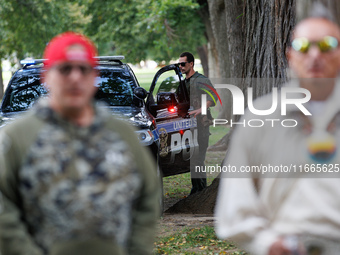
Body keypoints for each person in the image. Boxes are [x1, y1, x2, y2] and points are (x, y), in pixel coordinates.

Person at [0, 32, 160, 255]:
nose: (75, 77)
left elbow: (148, 194)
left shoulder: (122, 133)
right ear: (46, 77)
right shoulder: (16, 137)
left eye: (83, 69)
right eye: (65, 69)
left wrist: (137, 249)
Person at [215, 13, 340, 255]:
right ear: (290, 55)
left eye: (327, 45)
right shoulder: (259, 116)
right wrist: (267, 243)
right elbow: (235, 200)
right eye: (303, 46)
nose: (315, 55)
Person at [178, 52, 216, 195]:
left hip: (201, 125)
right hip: (187, 127)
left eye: (183, 64)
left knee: (198, 159)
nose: (180, 67)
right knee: (192, 159)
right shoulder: (183, 83)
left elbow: (213, 98)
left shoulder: (201, 80)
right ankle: (197, 189)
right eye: (179, 64)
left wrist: (201, 109)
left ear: (191, 64)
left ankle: (200, 191)